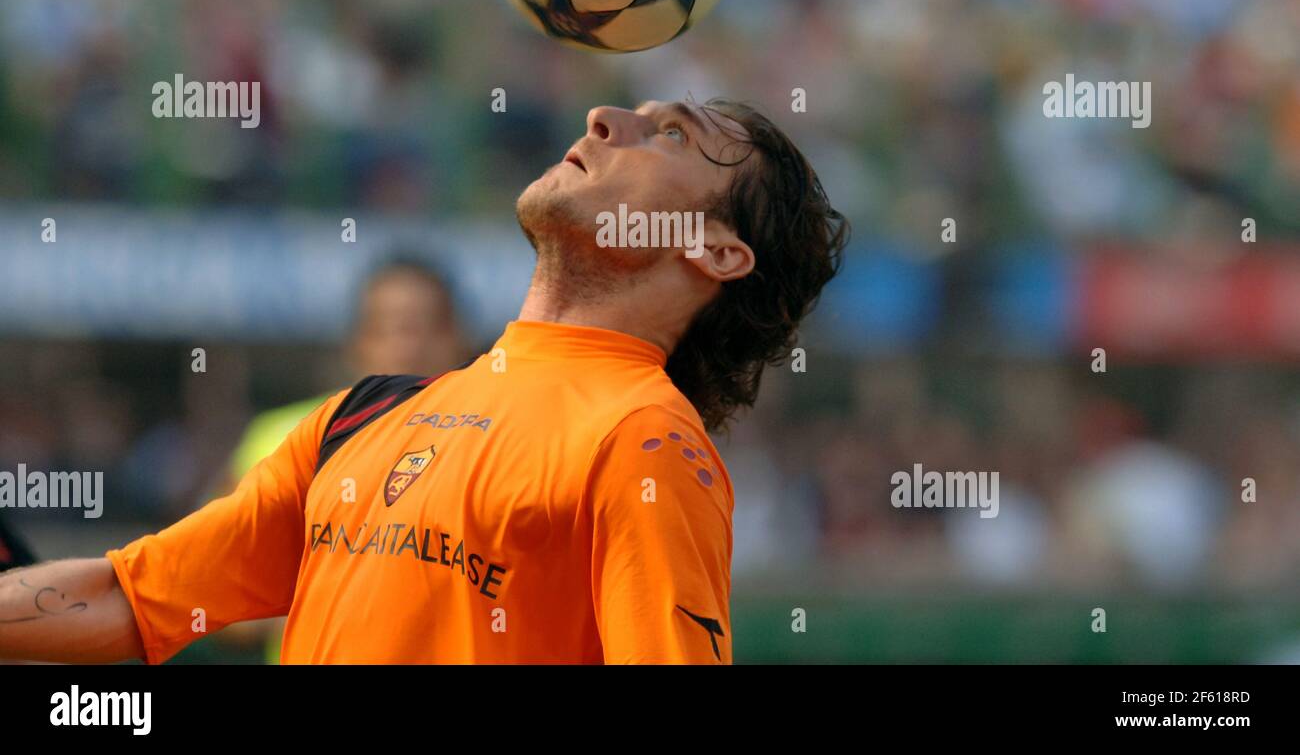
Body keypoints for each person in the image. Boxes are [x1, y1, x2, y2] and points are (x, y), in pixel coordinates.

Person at [0, 98, 847, 664]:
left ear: (715, 248)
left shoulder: (642, 439)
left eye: (672, 135)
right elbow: (127, 597)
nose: (605, 115)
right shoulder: (369, 410)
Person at [213, 255, 470, 663]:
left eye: (427, 326)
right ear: (358, 342)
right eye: (389, 327)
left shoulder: (493, 445)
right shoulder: (279, 438)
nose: (409, 344)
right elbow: (217, 595)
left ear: (459, 338)